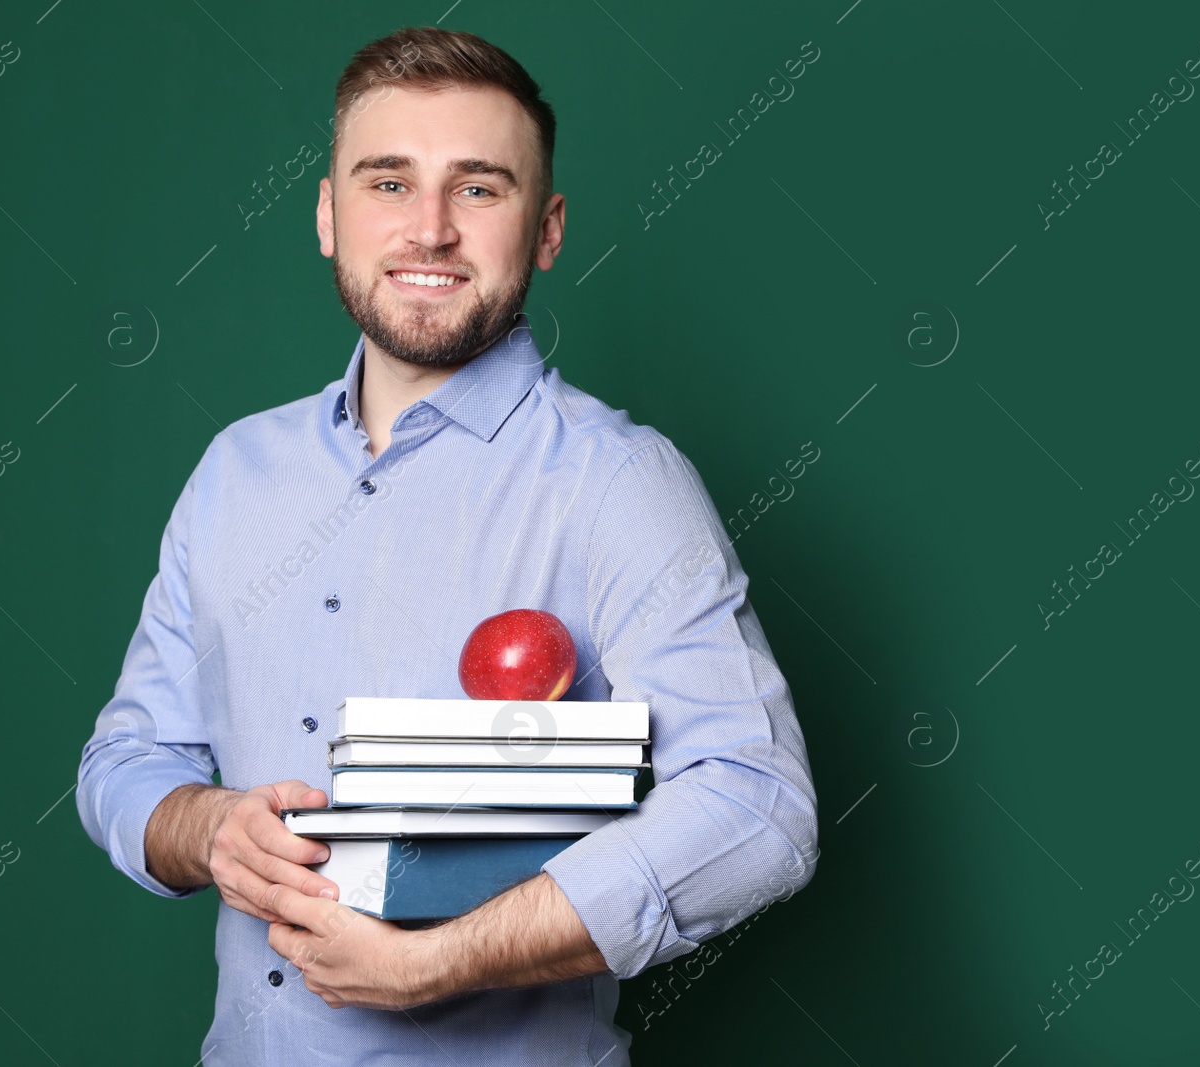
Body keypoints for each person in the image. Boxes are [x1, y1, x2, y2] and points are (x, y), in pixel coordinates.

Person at [75, 25, 819, 1066]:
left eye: (478, 189)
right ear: (330, 217)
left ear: (546, 229)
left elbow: (758, 805)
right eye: (388, 183)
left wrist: (444, 960)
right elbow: (127, 757)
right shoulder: (235, 470)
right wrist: (207, 827)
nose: (429, 229)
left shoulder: (619, 483)